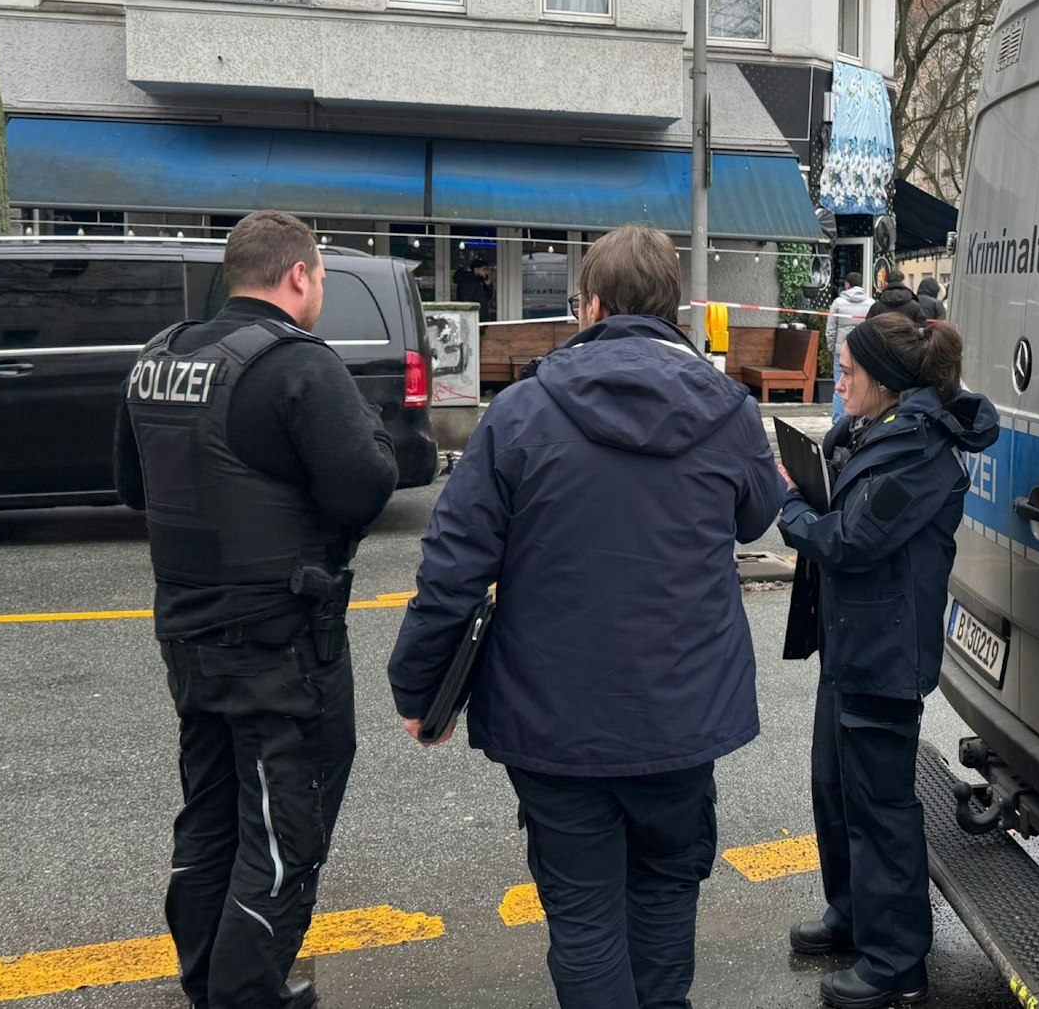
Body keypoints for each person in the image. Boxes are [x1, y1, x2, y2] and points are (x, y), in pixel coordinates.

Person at [390, 223, 783, 1009]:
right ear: (671, 309)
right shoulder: (726, 407)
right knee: (667, 891)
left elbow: (454, 566)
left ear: (591, 305)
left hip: (553, 716)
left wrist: (419, 689)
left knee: (583, 915)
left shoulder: (521, 412)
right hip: (680, 711)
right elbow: (756, 515)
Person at [114, 209, 397, 1009]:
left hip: (189, 634)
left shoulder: (160, 356)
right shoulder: (299, 366)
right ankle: (246, 991)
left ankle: (208, 975)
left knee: (212, 810)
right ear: (299, 275)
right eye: (321, 282)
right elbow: (365, 484)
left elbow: (134, 487)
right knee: (285, 827)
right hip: (281, 646)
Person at [777, 312, 1000, 1009]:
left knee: (880, 807)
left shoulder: (922, 452)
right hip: (851, 643)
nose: (838, 384)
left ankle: (896, 961)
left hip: (885, 652)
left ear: (883, 380)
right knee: (835, 787)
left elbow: (850, 538)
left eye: (846, 373)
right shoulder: (875, 430)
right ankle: (852, 914)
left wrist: (791, 505)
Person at [826, 276, 874, 422]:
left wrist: (831, 347)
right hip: (863, 352)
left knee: (840, 387)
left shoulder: (838, 303)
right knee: (862, 386)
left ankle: (838, 423)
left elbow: (831, 329)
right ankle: (859, 421)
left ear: (847, 284)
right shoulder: (871, 303)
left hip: (842, 352)